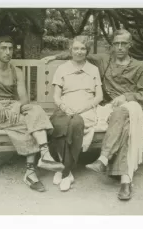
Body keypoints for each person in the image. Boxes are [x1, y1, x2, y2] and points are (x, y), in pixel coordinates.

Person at [42, 29, 143, 200]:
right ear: (112, 46)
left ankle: (104, 160)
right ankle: (124, 178)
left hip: (131, 107)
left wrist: (127, 96)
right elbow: (77, 53)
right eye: (116, 43)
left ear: (130, 45)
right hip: (108, 109)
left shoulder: (139, 67)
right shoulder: (104, 60)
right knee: (123, 127)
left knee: (122, 114)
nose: (120, 47)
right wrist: (55, 57)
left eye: (124, 43)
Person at [0, 35, 64, 192]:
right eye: (3, 48)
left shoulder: (16, 71)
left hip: (13, 108)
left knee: (36, 109)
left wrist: (18, 105)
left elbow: (24, 98)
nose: (8, 52)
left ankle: (45, 154)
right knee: (30, 123)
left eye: (11, 48)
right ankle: (31, 172)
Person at [48, 36, 103, 192]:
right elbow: (56, 97)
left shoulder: (93, 69)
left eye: (83, 49)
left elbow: (99, 96)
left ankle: (64, 172)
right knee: (59, 124)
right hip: (66, 107)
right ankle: (66, 170)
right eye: (76, 48)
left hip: (86, 108)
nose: (79, 52)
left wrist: (83, 108)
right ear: (70, 50)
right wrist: (65, 108)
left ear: (87, 51)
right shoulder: (62, 69)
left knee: (76, 123)